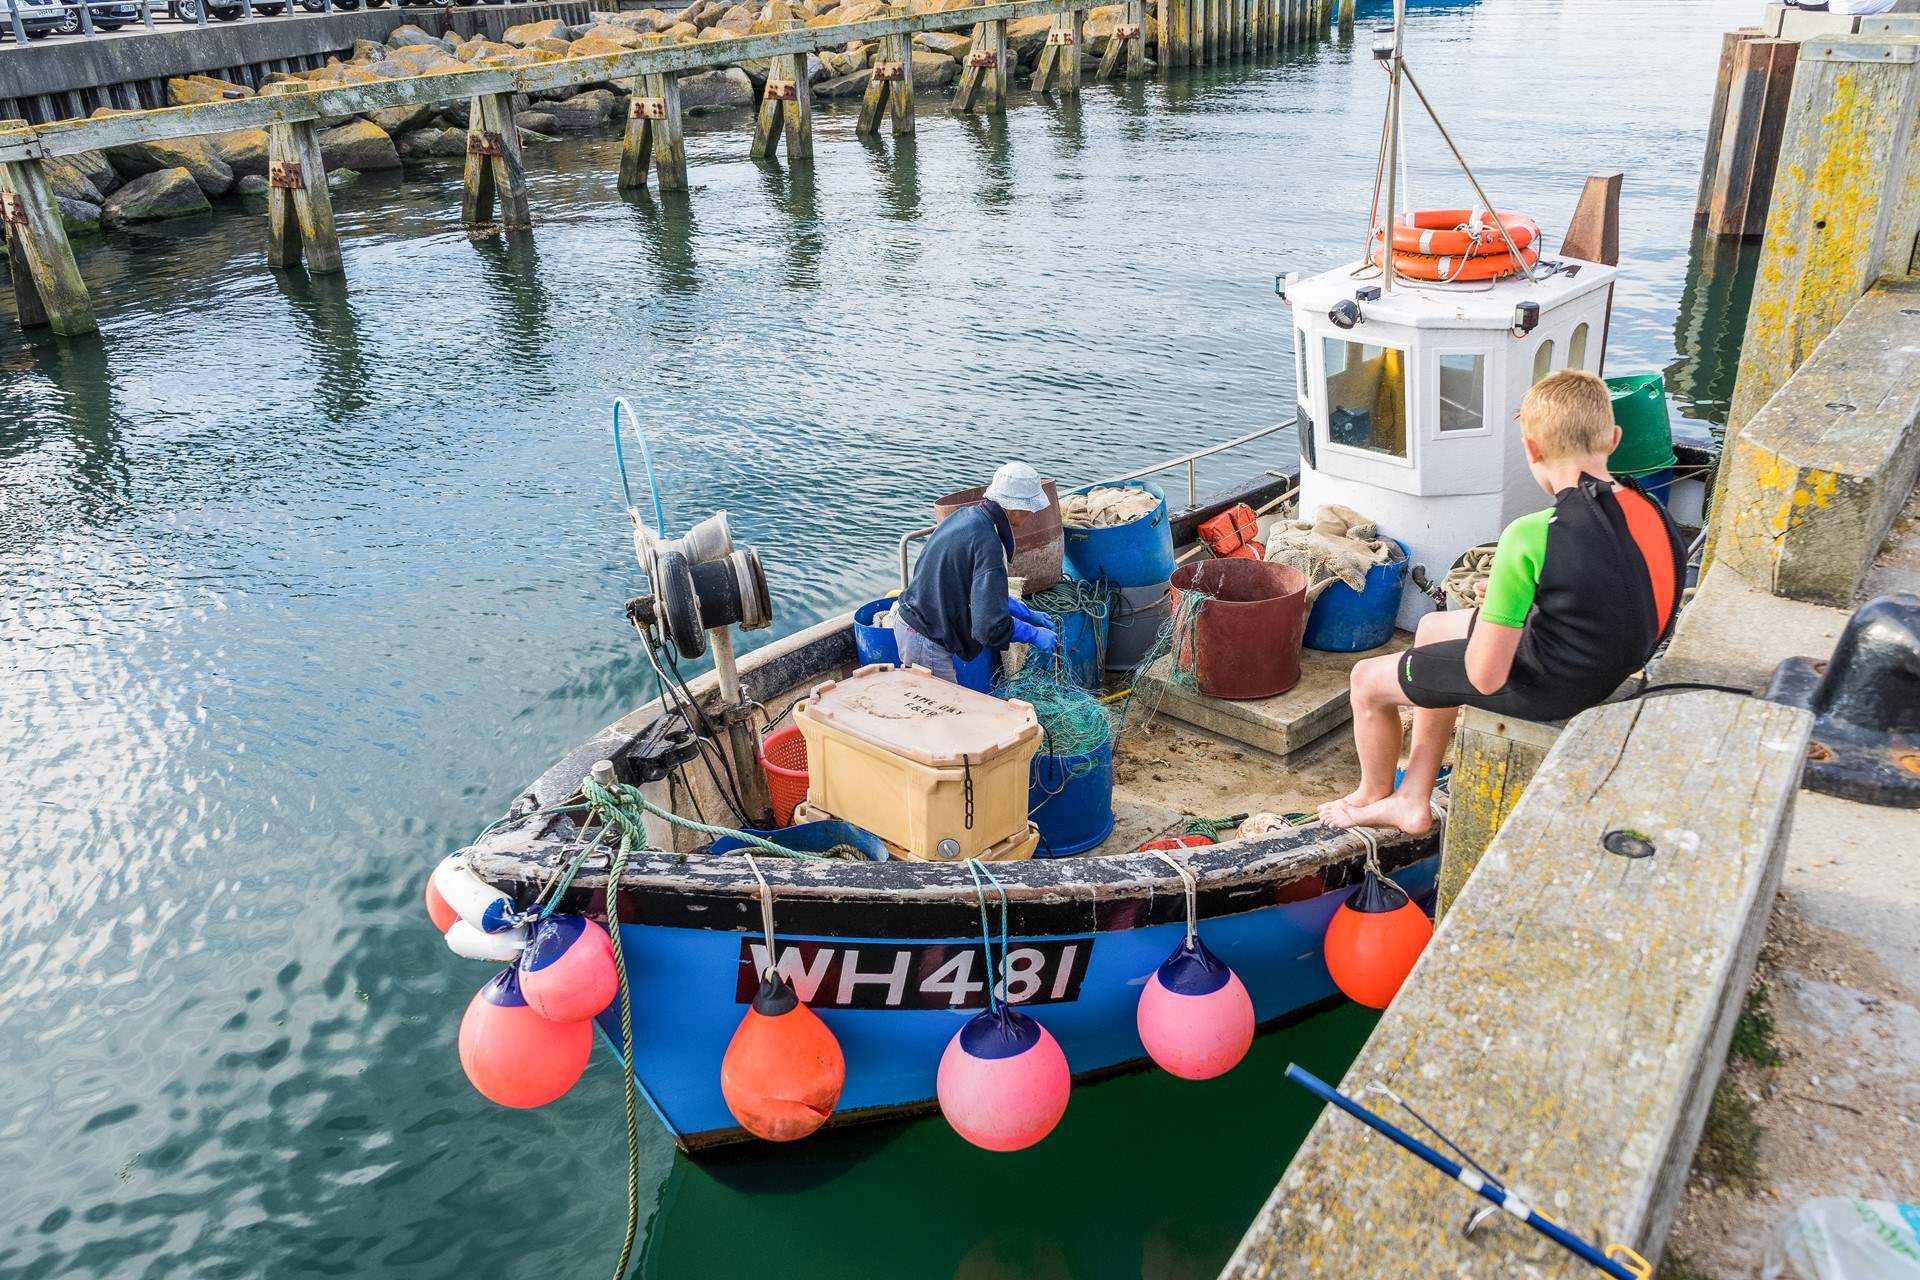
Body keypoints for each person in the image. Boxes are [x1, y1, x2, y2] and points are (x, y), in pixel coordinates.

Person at [1319, 370, 1686, 835]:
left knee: (1367, 681)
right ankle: (1415, 794)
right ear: (1613, 439)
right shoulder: (1650, 508)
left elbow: (1483, 675)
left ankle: (1377, 795)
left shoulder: (1533, 533)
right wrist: (1520, 603)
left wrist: (1500, 618)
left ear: (1532, 449)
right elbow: (1615, 588)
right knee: (1432, 630)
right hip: (1607, 662)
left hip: (1556, 685)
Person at [892, 462, 1058, 684]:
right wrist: (1033, 634)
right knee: (943, 715)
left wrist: (1026, 612)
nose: (1030, 515)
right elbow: (988, 627)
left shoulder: (966, 517)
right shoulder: (988, 543)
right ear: (1016, 508)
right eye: (1030, 509)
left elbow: (976, 592)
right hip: (925, 637)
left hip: (913, 623)